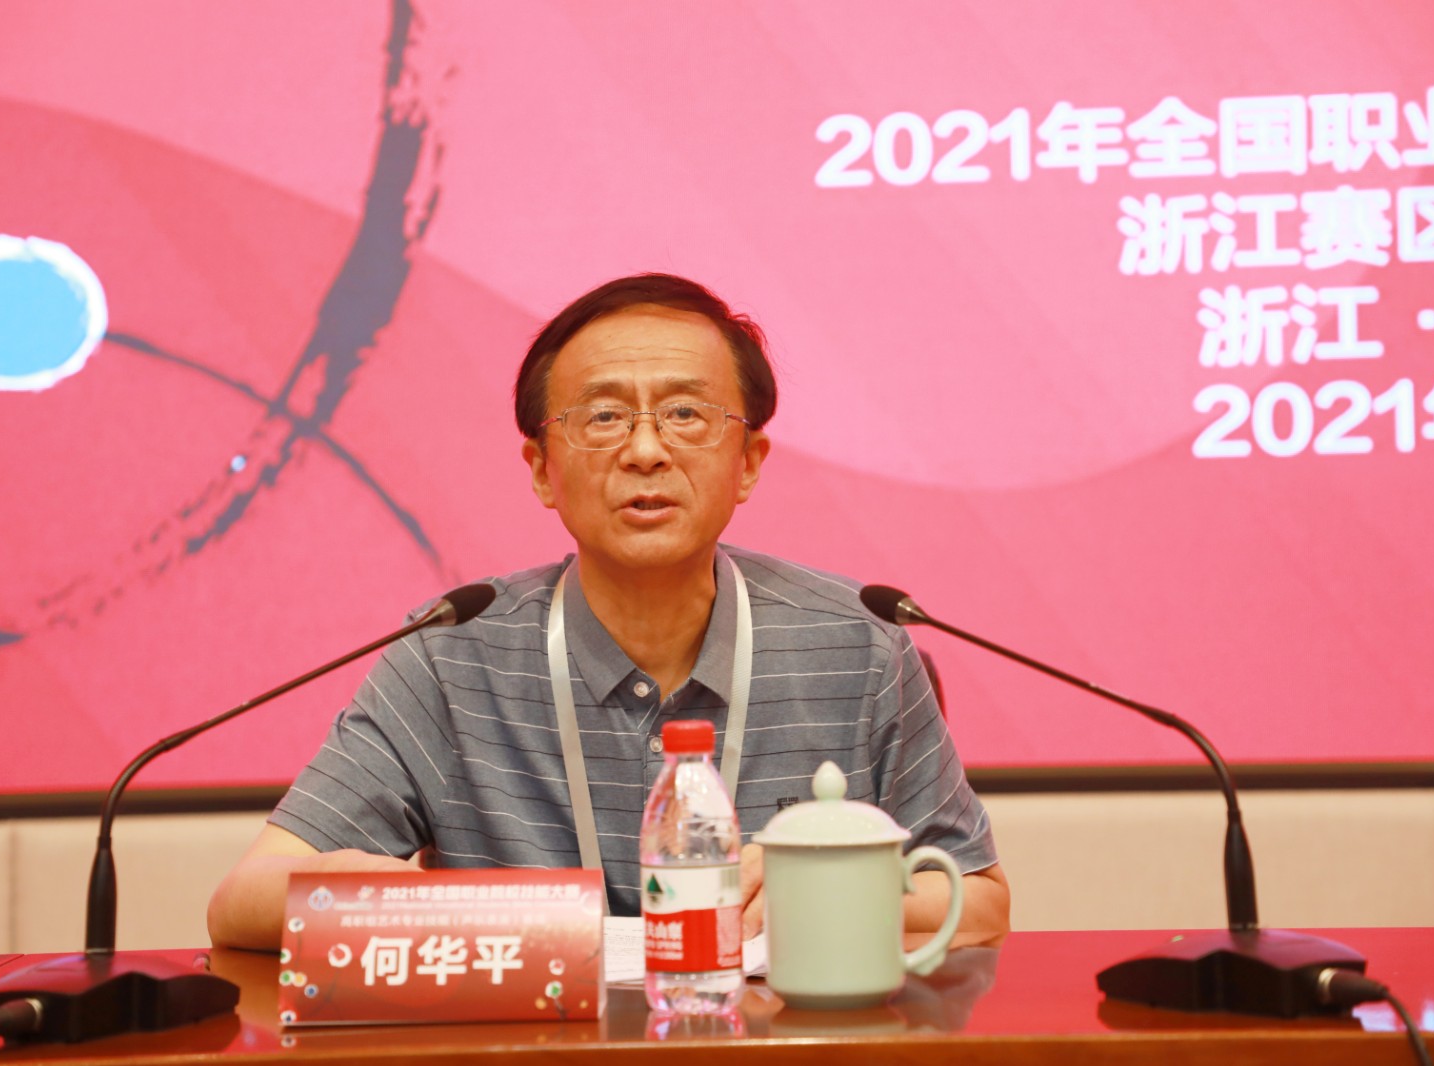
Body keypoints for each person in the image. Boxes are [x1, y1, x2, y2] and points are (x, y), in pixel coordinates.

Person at [208, 273, 1009, 949]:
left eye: (686, 414)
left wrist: (829, 886)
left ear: (749, 462)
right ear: (541, 469)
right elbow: (244, 901)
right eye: (603, 417)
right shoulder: (450, 656)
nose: (646, 451)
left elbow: (978, 901)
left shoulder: (857, 646)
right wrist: (452, 908)